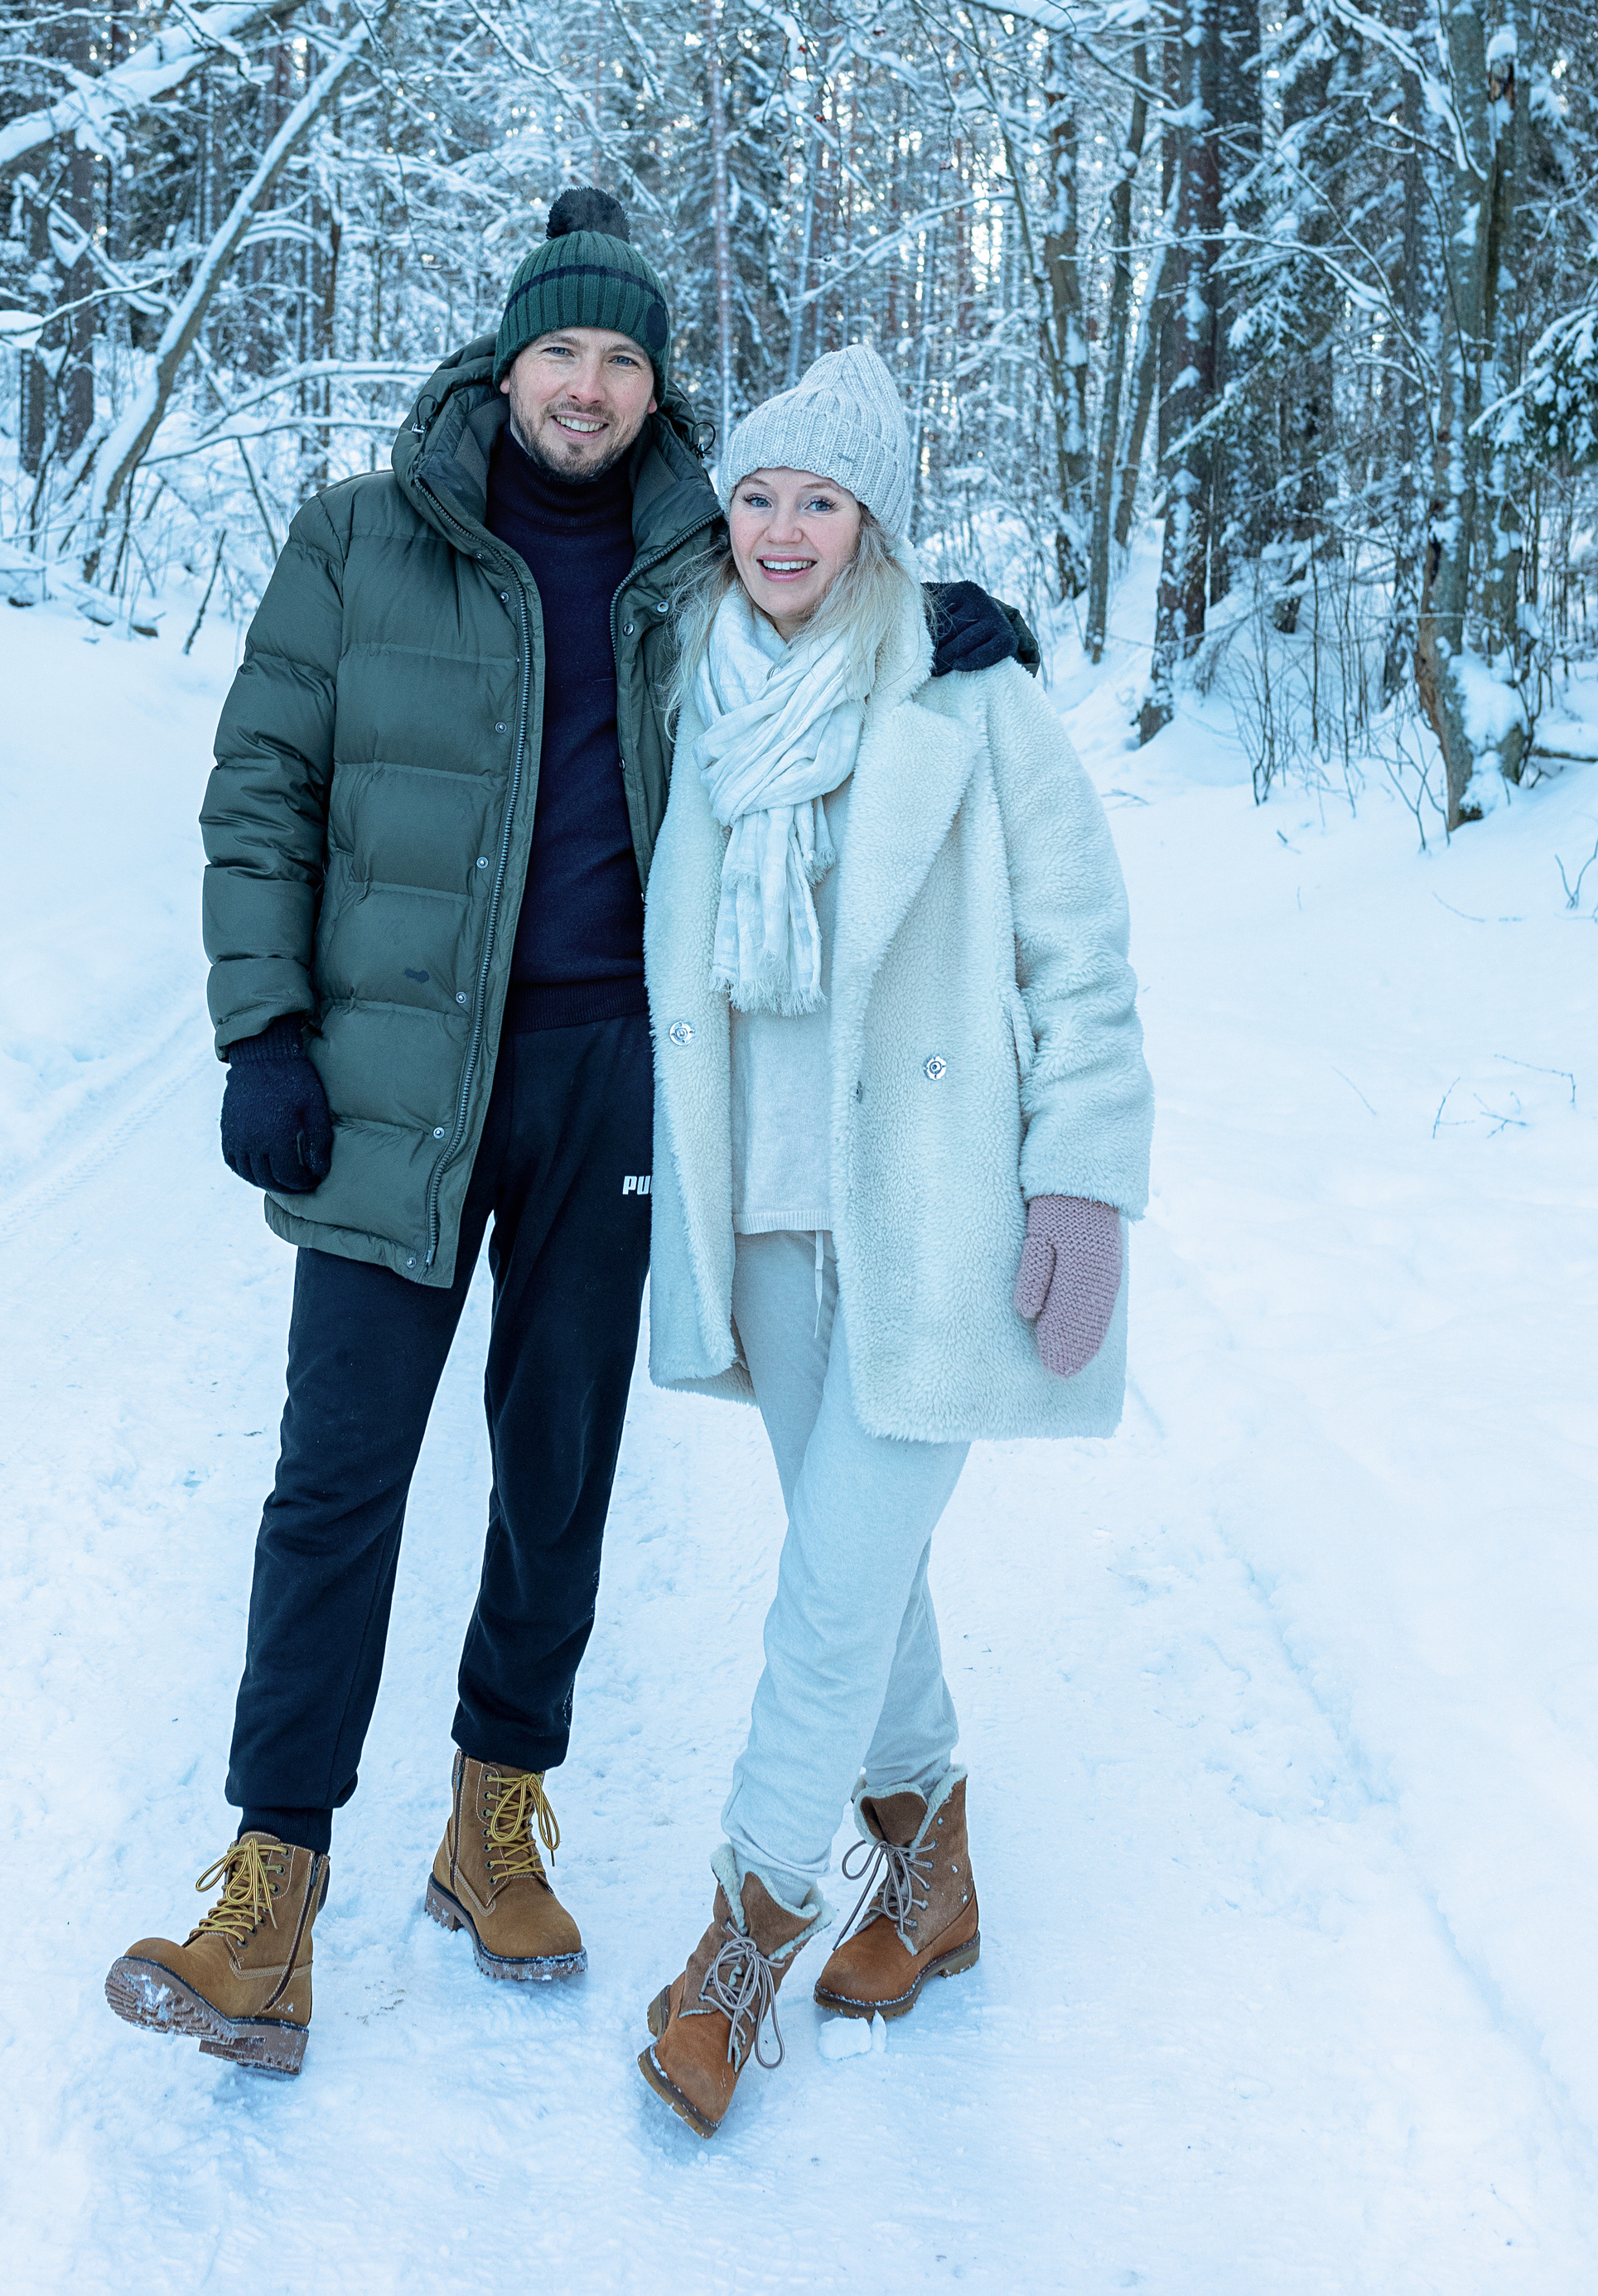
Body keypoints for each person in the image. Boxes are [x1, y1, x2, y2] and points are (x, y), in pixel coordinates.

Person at [104, 195, 1035, 2080]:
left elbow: (816, 618)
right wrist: (261, 1025)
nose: (589, 388)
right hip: (383, 1084)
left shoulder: (692, 563)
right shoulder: (358, 541)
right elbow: (259, 780)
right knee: (338, 1472)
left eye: (621, 360)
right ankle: (270, 1881)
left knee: (556, 1463)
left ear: (647, 385)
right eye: (562, 352)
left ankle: (492, 1812)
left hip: (614, 1078)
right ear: (505, 361)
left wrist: (934, 628)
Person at [634, 341, 1155, 2138]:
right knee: (861, 1573)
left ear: (874, 524)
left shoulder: (965, 696)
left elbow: (1077, 954)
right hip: (765, 1215)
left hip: (928, 1218)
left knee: (826, 1591)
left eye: (820, 498)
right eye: (759, 494)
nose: (781, 527)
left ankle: (741, 1936)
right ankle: (929, 1858)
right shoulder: (699, 698)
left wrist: (1081, 1175)